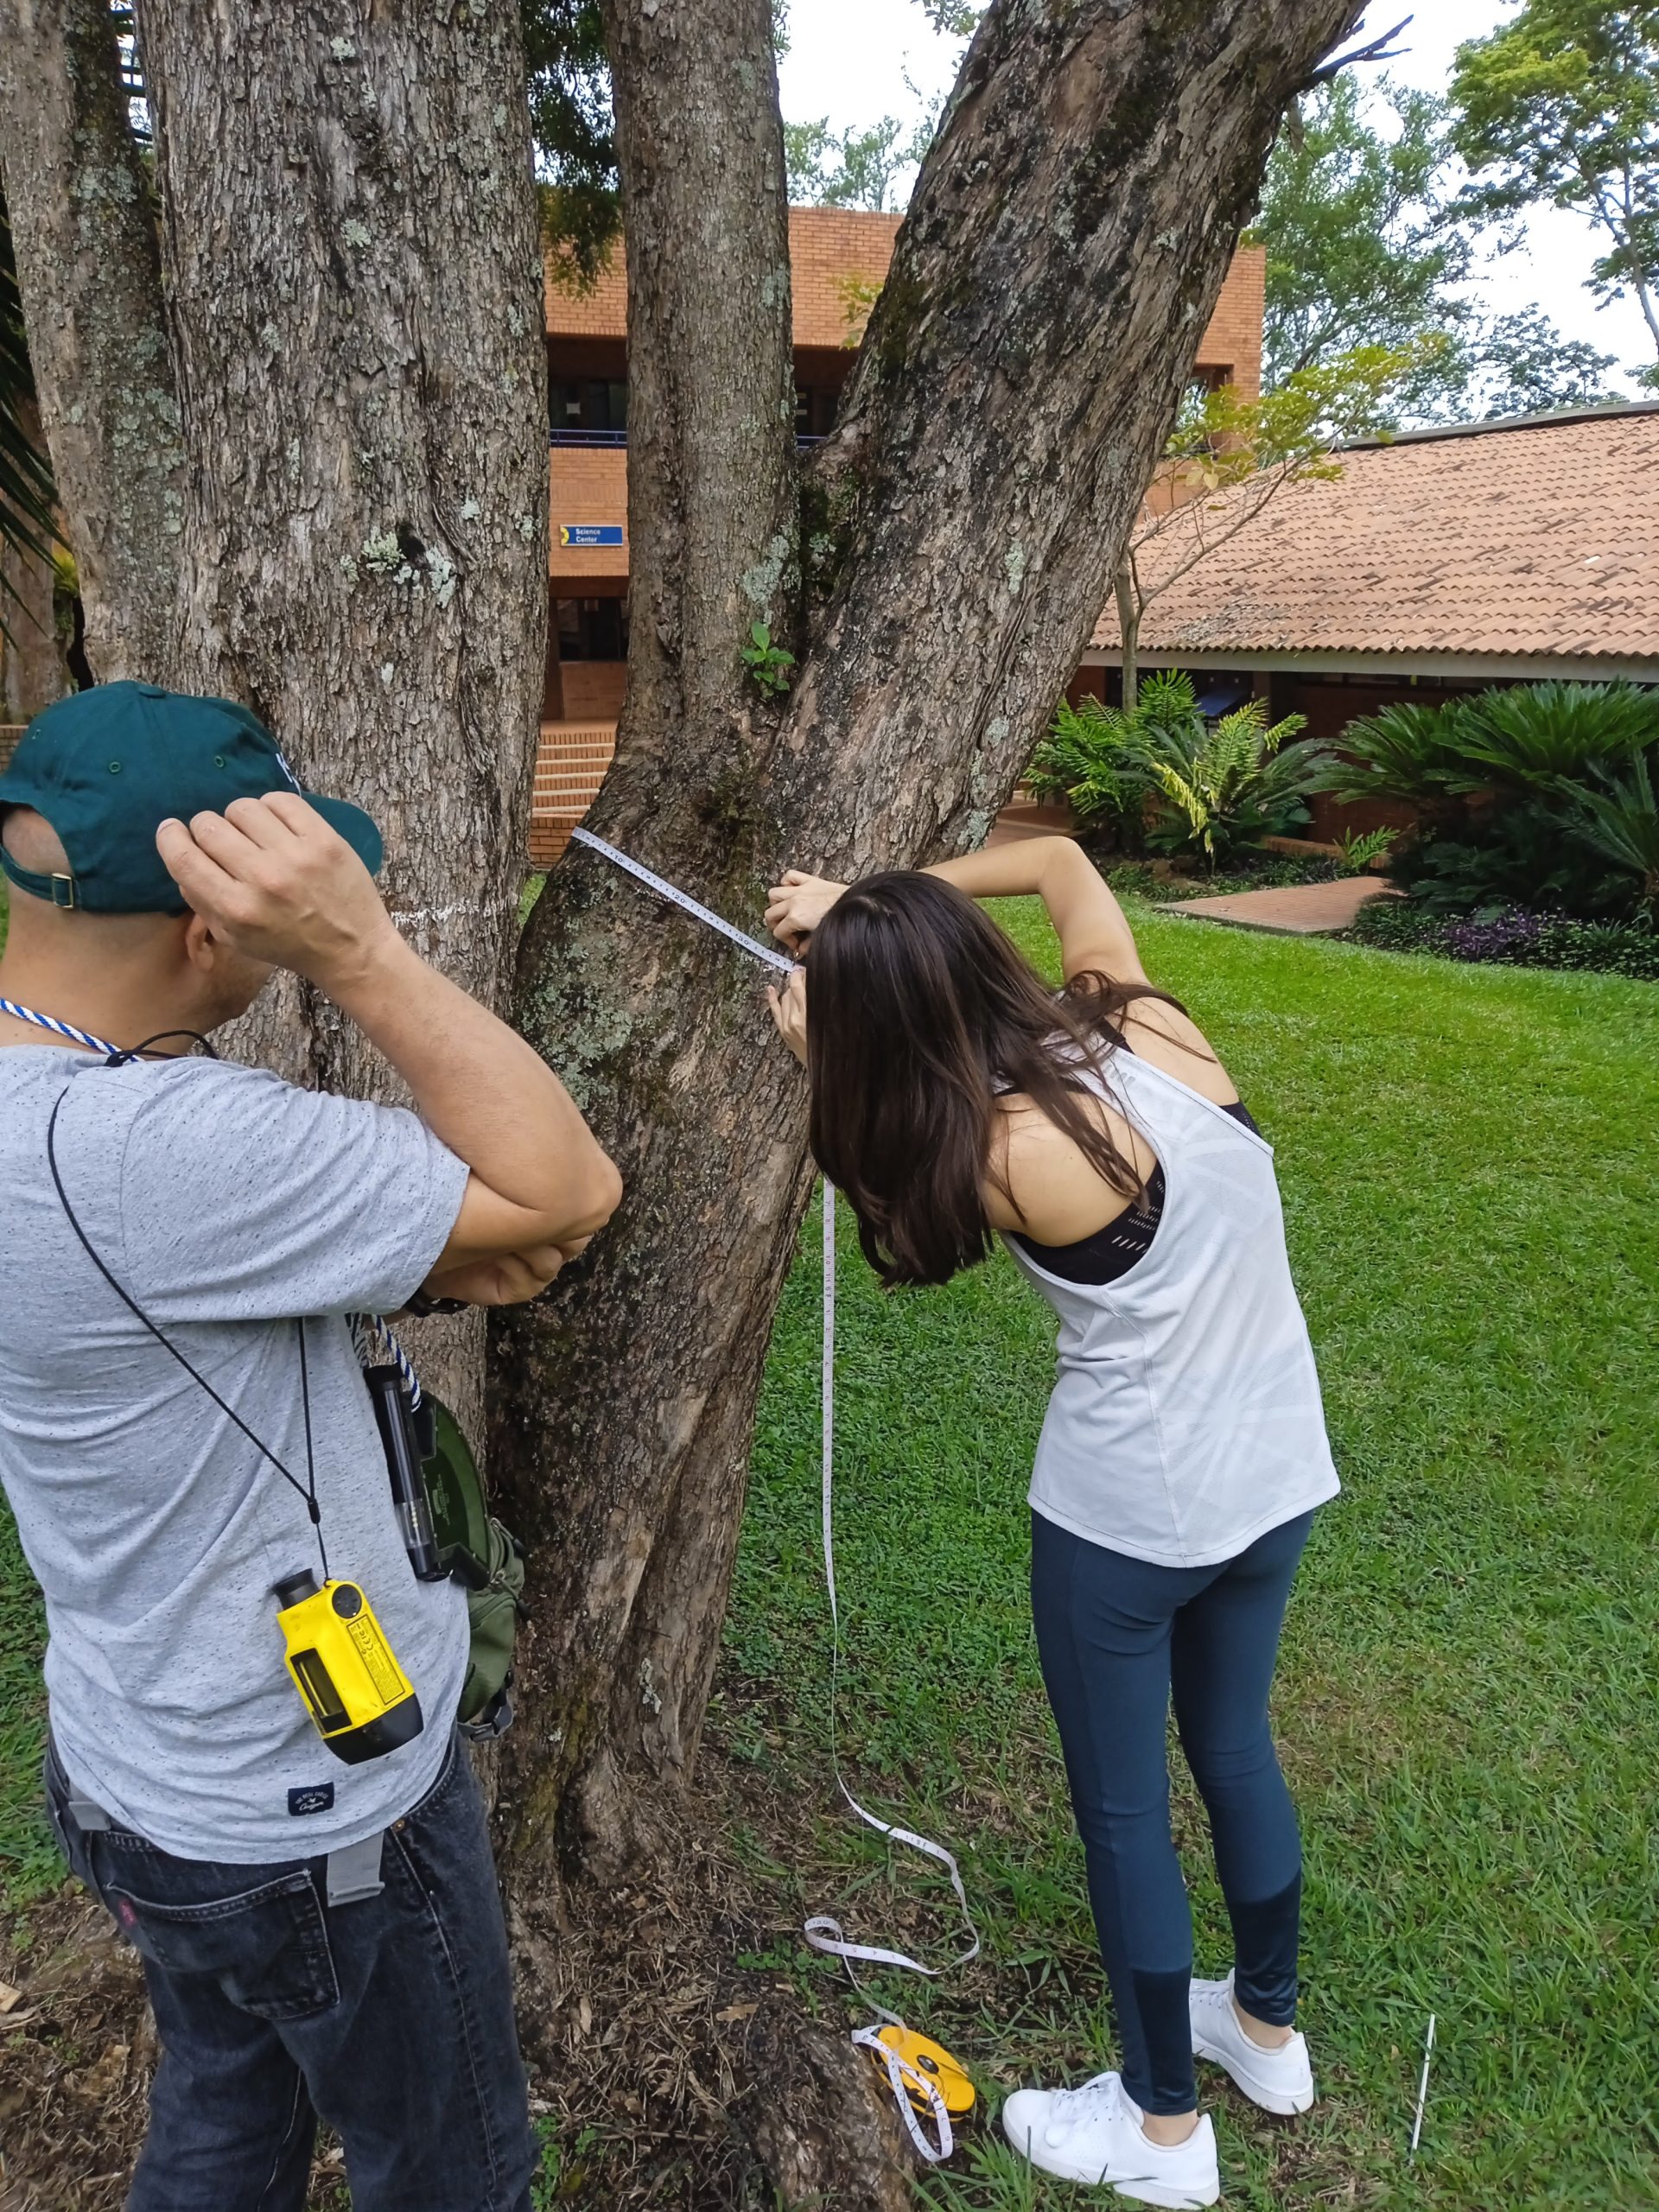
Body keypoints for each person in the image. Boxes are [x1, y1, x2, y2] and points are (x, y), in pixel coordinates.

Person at [0, 682, 622, 2212]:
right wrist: (362, 953)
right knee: (456, 2174)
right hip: (311, 1815)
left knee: (225, 2120)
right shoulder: (156, 1153)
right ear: (211, 929)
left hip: (138, 1765)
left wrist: (418, 1246)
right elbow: (565, 1189)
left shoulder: (64, 1107)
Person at [762, 839, 1339, 2212]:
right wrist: (872, 908)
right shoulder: (1141, 1020)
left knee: (1125, 1809)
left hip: (1131, 1516)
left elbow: (884, 1185)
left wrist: (815, 1055)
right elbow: (1070, 862)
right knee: (1236, 1746)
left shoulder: (1001, 1150)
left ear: (890, 1027)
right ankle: (1266, 2035)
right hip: (1276, 1479)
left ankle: (1159, 2132)